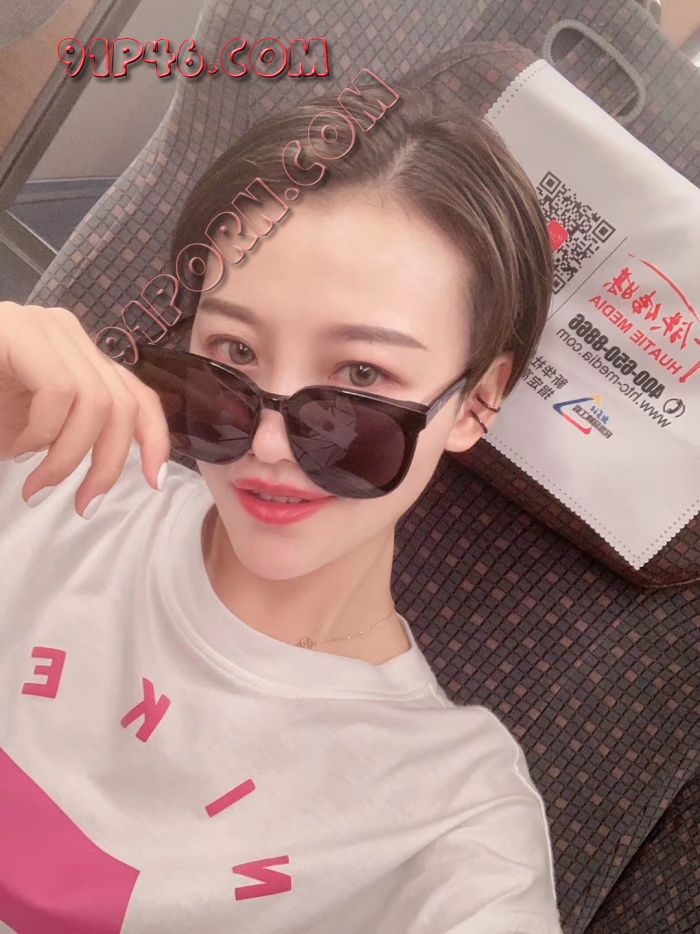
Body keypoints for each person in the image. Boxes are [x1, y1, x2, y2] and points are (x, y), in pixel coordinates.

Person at [0, 84, 563, 933]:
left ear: (478, 401)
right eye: (233, 352)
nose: (268, 443)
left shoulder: (450, 821)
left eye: (360, 379)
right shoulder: (51, 475)